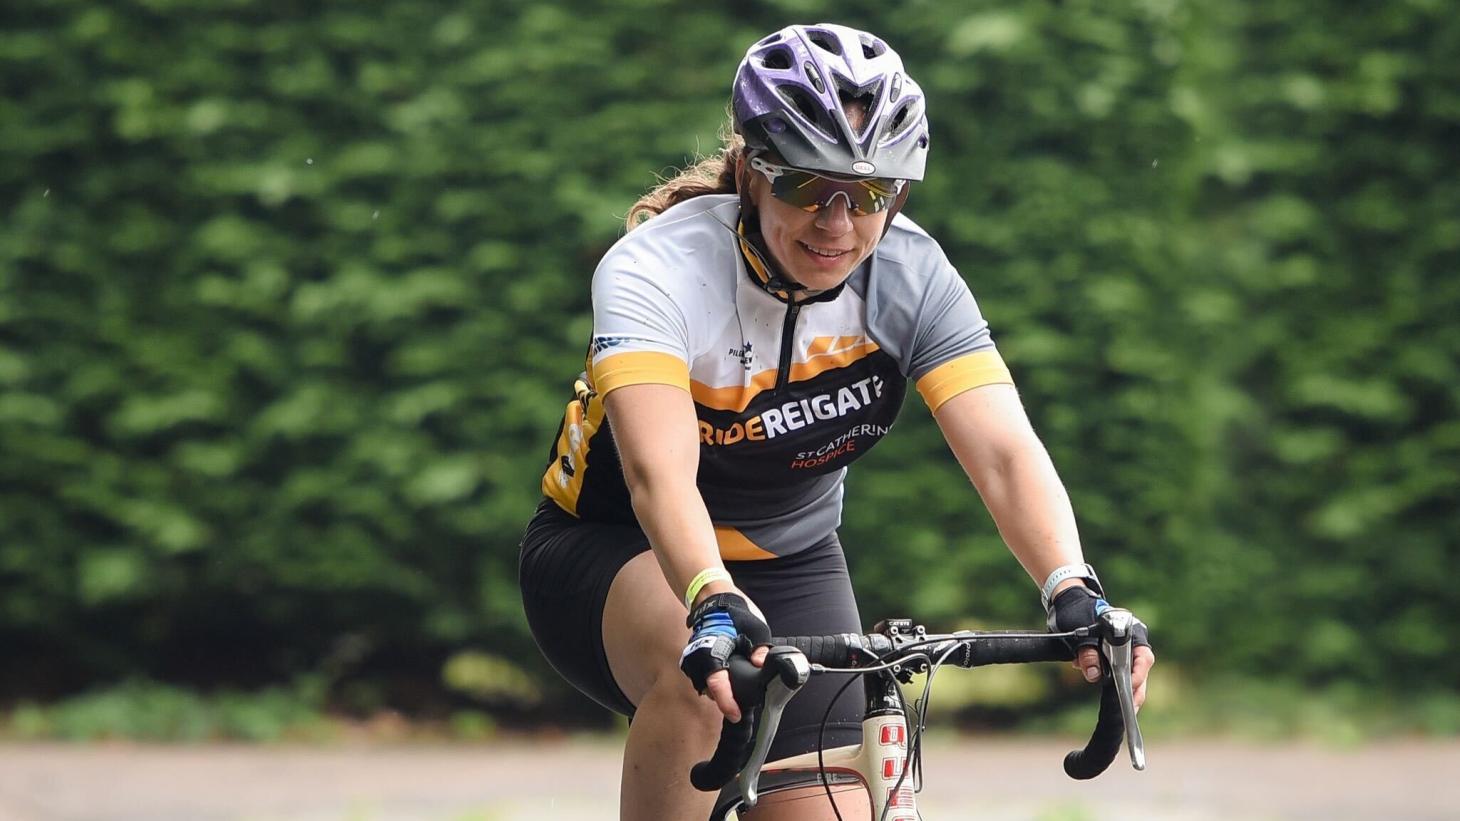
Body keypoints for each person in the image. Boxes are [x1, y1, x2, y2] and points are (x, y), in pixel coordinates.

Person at [518, 22, 1155, 821]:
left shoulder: (911, 276)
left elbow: (1002, 451)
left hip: (793, 559)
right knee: (703, 689)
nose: (838, 223)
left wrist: (1073, 586)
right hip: (620, 548)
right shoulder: (658, 270)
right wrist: (709, 593)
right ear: (752, 172)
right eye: (807, 188)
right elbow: (658, 473)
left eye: (873, 194)